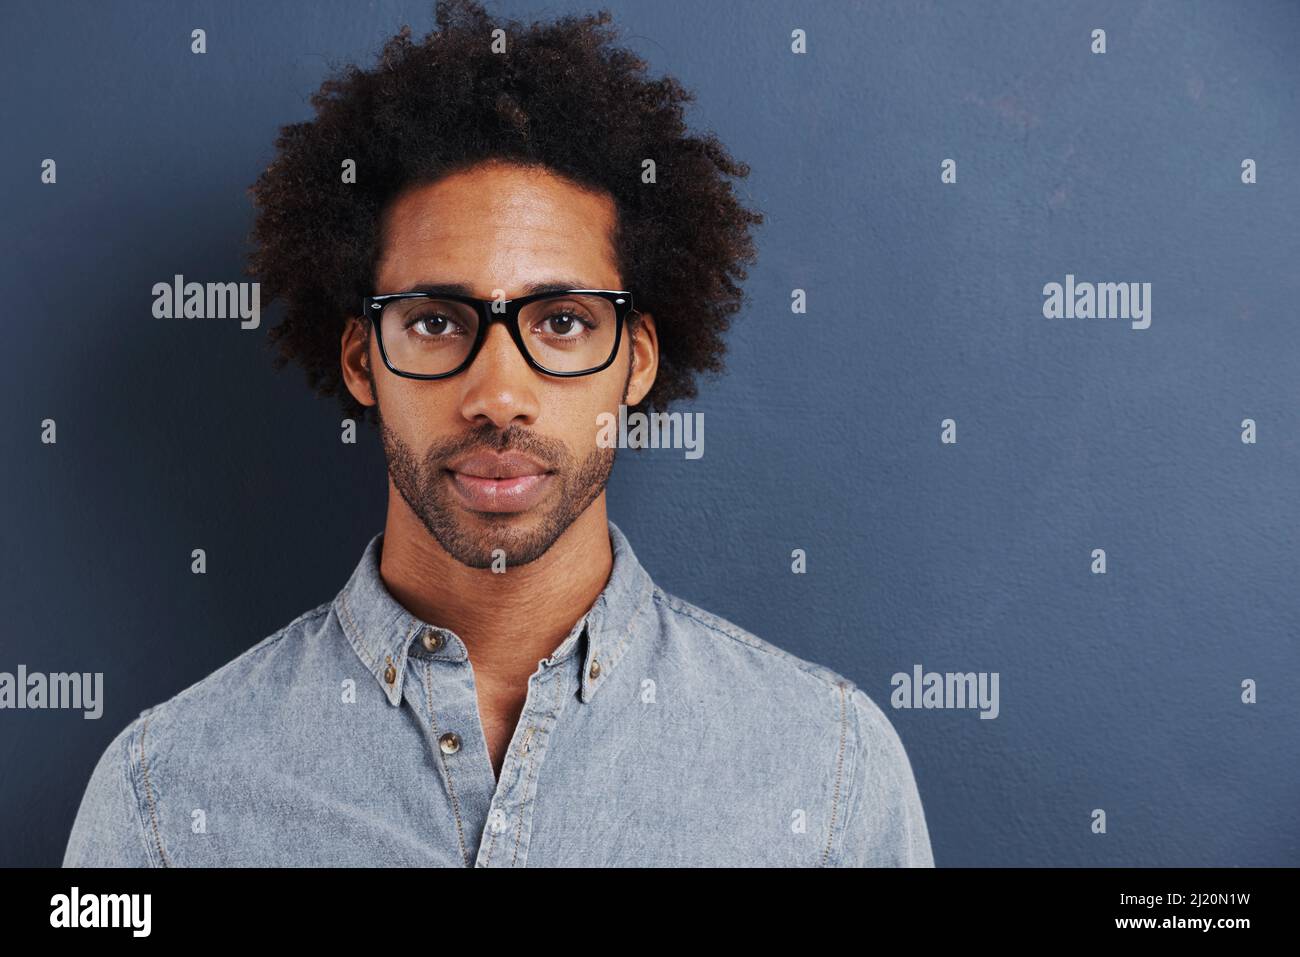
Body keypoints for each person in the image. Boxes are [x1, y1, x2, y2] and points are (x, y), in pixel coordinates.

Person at [64, 0, 933, 867]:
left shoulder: (828, 776)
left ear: (634, 360)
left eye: (560, 320)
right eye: (437, 321)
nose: (499, 395)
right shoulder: (161, 800)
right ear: (364, 360)